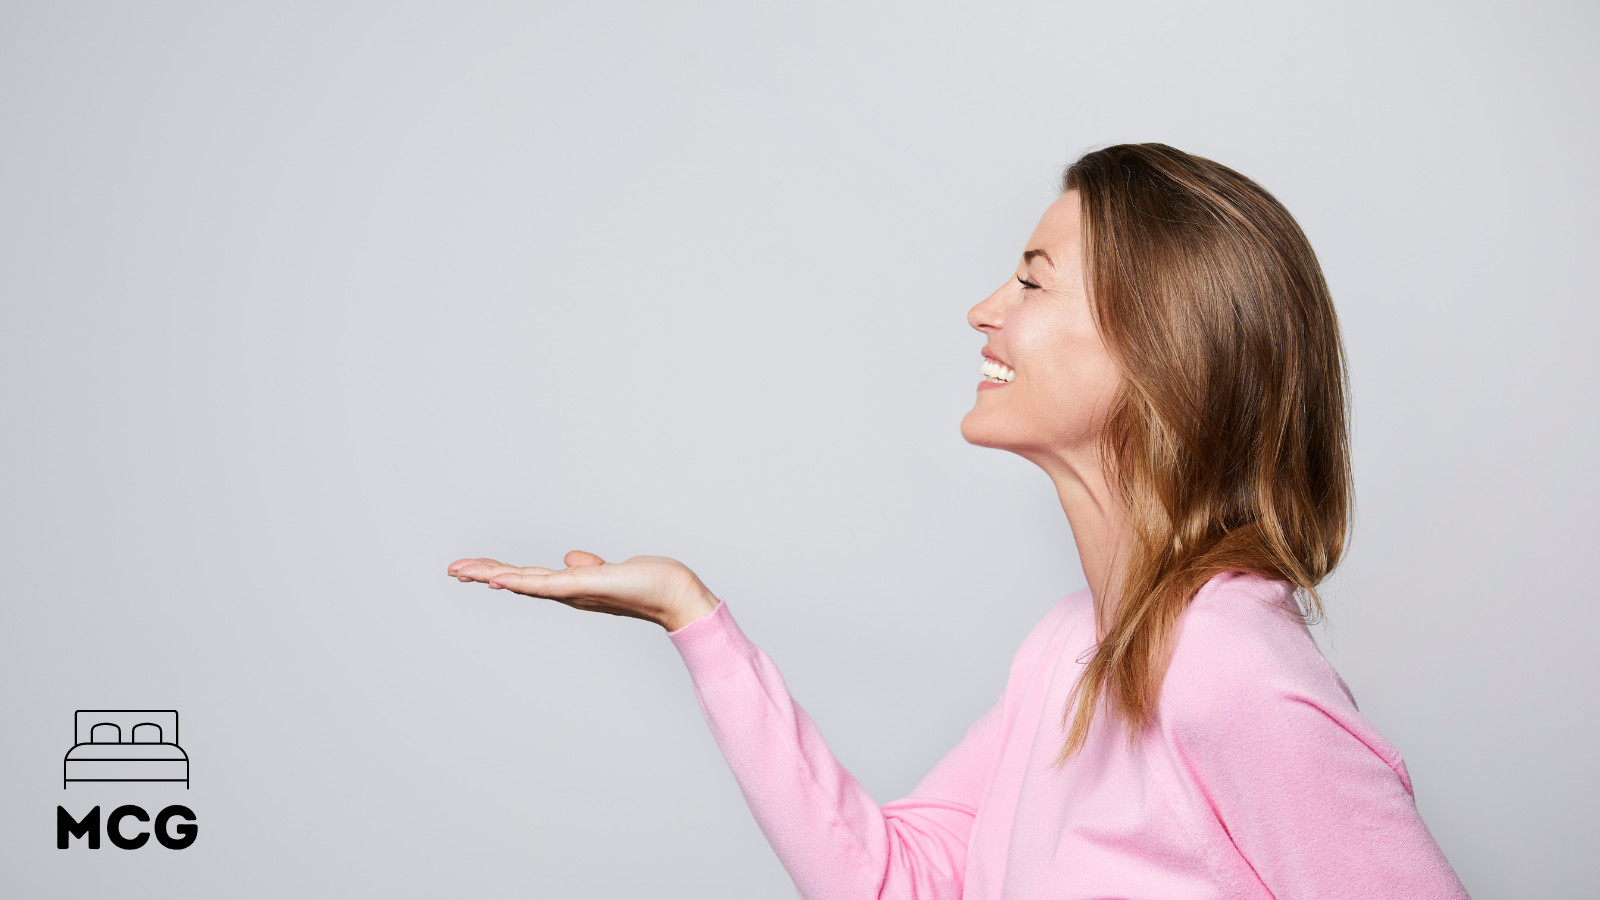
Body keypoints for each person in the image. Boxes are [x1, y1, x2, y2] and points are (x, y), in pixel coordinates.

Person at [446, 142, 1472, 899]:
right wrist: (694, 619)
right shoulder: (1066, 649)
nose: (984, 309)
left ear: (1158, 340)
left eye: (1030, 278)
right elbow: (891, 881)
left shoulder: (1225, 661)